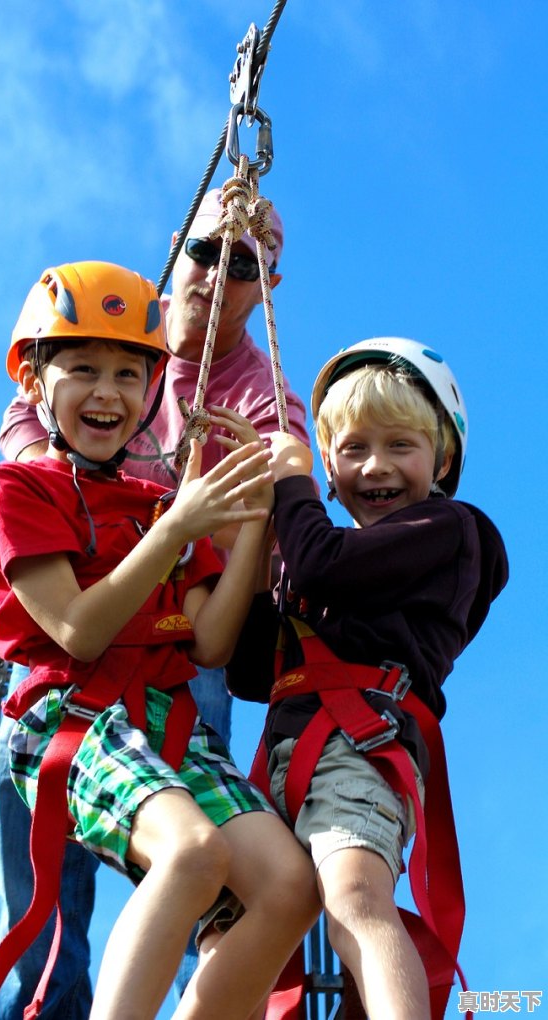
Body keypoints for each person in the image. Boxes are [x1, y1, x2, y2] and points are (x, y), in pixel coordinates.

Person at [0, 189, 310, 1018]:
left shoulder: (251, 395)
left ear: (266, 284)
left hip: (168, 696)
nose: (109, 392)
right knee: (177, 857)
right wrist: (171, 517)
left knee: (282, 888)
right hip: (70, 704)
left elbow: (209, 642)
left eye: (243, 265)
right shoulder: (26, 483)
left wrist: (243, 525)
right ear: (180, 251)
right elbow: (76, 628)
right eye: (207, 253)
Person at [228, 337, 508, 1019]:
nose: (375, 465)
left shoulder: (450, 531)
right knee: (240, 922)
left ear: (441, 459)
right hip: (289, 753)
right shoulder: (322, 561)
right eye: (351, 449)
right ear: (331, 465)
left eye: (398, 445)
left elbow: (326, 565)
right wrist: (257, 547)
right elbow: (244, 671)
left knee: (352, 896)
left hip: (360, 743)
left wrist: (290, 481)